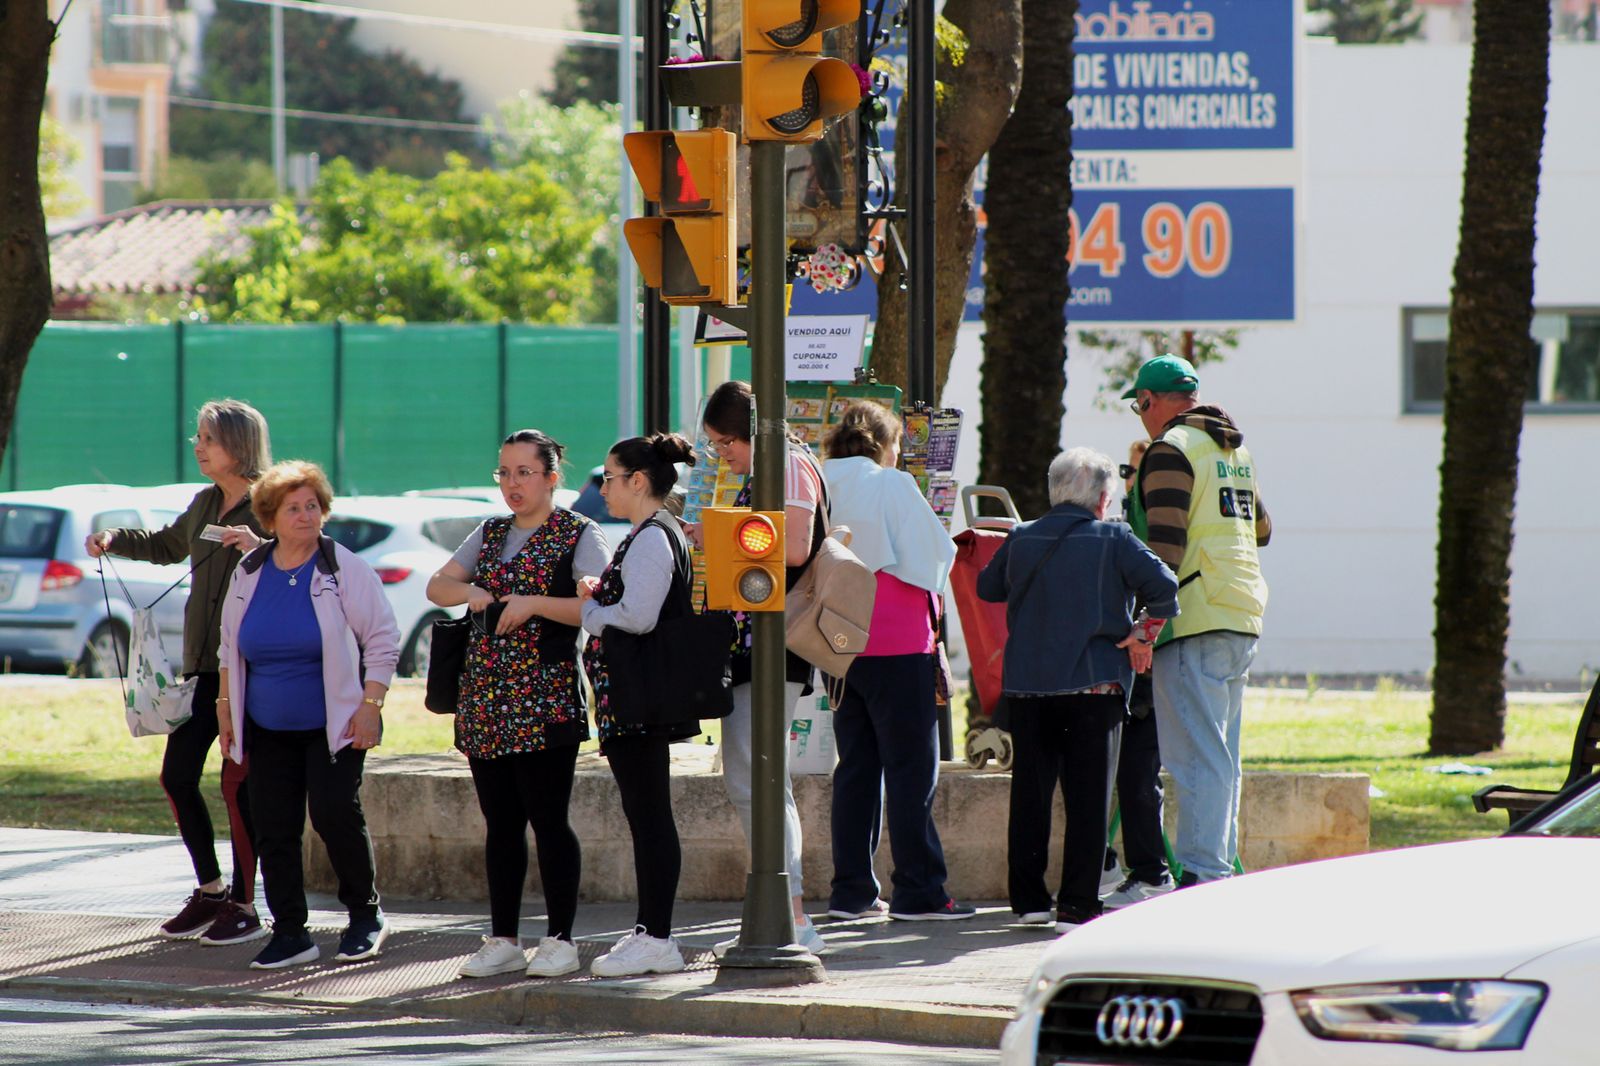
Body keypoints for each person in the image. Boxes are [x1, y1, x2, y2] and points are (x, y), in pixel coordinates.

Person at [85, 399, 272, 945]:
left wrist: (259, 547)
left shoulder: (272, 501)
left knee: (238, 787)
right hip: (202, 672)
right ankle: (211, 891)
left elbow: (299, 560)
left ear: (238, 444)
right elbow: (167, 544)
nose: (198, 447)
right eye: (198, 437)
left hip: (251, 672)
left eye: (207, 439)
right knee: (177, 776)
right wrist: (115, 539)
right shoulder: (205, 502)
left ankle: (244, 903)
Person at [425, 430, 610, 980]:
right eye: (504, 473)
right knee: (500, 822)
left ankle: (560, 938)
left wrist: (532, 603)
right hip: (484, 696)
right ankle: (503, 936)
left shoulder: (580, 532)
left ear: (553, 477)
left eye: (524, 473)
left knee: (548, 819)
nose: (512, 484)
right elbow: (439, 586)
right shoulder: (490, 531)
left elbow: (594, 606)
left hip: (544, 696)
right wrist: (471, 593)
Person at [977, 448, 1178, 932]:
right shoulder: (1114, 537)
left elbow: (987, 588)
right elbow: (1165, 588)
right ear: (1105, 497)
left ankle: (1028, 902)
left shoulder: (1023, 536)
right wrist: (1142, 634)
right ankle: (1076, 905)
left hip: (1028, 688)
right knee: (1088, 801)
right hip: (1095, 687)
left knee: (1030, 796)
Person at [216, 460, 401, 969]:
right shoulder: (249, 571)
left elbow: (382, 640)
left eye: (312, 506)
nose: (305, 516)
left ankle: (365, 917)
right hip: (266, 725)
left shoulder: (343, 567)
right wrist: (225, 708)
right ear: (270, 518)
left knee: (334, 813)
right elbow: (230, 645)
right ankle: (291, 932)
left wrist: (371, 706)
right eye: (293, 508)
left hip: (334, 723)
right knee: (273, 825)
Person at [1124, 354, 1272, 886]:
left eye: (1139, 407)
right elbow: (1262, 530)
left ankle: (1203, 877)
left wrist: (1146, 622)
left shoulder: (1171, 448)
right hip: (1241, 609)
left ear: (1151, 401)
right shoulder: (1235, 448)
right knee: (1222, 757)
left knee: (1194, 762)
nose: (1140, 417)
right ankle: (1218, 869)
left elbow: (1164, 546)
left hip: (1194, 614)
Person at [820, 401, 969, 923]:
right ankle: (920, 891)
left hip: (838, 643)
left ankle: (852, 892)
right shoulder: (891, 483)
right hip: (899, 641)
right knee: (910, 772)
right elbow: (935, 555)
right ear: (886, 442)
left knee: (855, 770)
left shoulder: (818, 478)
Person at [693, 380, 825, 955]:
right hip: (759, 639)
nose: (724, 456)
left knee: (759, 782)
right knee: (758, 779)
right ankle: (785, 911)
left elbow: (794, 547)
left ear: (747, 433)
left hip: (775, 640)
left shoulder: (790, 465)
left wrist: (723, 535)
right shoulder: (776, 467)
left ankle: (790, 915)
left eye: (725, 444)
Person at [577, 433, 701, 977]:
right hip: (637, 697)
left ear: (639, 481)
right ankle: (651, 931)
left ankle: (657, 937)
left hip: (642, 698)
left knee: (650, 817)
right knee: (645, 815)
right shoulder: (651, 533)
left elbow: (638, 615)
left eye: (609, 476)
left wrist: (590, 610)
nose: (602, 486)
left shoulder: (653, 536)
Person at [1102, 438, 1176, 909]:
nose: (1130, 485)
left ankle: (1151, 871)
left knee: (1136, 770)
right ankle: (1112, 861)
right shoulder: (1132, 518)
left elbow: (1161, 577)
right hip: (1142, 649)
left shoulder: (1151, 521)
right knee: (1126, 768)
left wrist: (1146, 633)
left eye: (1135, 476)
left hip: (1152, 650)